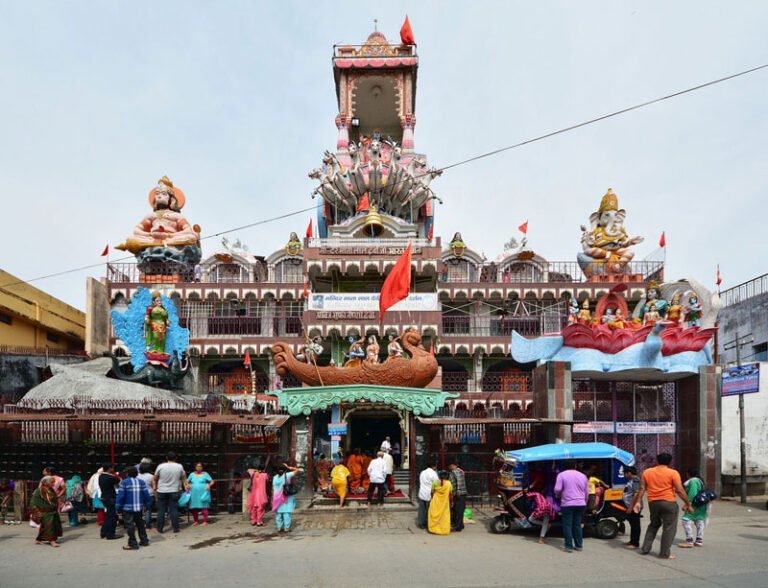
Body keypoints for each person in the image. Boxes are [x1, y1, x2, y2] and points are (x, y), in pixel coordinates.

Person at [631, 453, 694, 560]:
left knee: (654, 525)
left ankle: (645, 548)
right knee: (669, 528)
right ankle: (664, 554)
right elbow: (679, 490)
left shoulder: (647, 472)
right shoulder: (673, 473)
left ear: (657, 461)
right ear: (670, 462)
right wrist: (688, 503)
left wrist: (638, 502)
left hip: (653, 503)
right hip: (669, 502)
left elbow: (642, 488)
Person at [554, 462, 589, 553]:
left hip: (567, 503)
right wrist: (584, 501)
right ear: (575, 466)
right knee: (577, 525)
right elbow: (587, 492)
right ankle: (579, 545)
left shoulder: (561, 475)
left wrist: (558, 495)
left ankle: (569, 546)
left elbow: (557, 489)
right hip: (581, 503)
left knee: (567, 525)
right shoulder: (583, 476)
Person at [116, 466, 151, 550]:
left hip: (127, 508)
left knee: (130, 526)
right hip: (139, 508)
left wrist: (118, 508)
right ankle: (144, 540)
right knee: (140, 524)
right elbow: (146, 495)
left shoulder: (124, 483)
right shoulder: (141, 482)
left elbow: (120, 497)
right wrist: (148, 506)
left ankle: (133, 543)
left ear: (127, 474)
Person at [153, 452, 186, 534]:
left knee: (161, 511)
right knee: (174, 510)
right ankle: (176, 528)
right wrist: (185, 488)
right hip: (174, 490)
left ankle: (160, 529)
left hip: (162, 491)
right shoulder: (179, 466)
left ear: (166, 457)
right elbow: (183, 478)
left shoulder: (160, 466)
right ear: (176, 458)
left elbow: (155, 478)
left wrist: (155, 489)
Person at [679, 468, 709, 548]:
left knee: (685, 520)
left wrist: (687, 504)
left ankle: (689, 541)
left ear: (688, 474)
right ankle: (699, 540)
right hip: (701, 505)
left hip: (694, 504)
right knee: (699, 520)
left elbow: (692, 493)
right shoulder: (700, 481)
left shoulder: (693, 481)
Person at [30, 476, 63, 547]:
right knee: (50, 526)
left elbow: (54, 499)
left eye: (53, 482)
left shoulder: (51, 490)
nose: (54, 483)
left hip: (52, 511)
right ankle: (52, 541)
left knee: (46, 526)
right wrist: (36, 512)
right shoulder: (39, 491)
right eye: (52, 482)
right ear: (45, 483)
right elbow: (33, 501)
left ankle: (38, 539)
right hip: (44, 511)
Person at [271, 463, 300, 533]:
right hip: (286, 497)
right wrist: (289, 467)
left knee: (278, 514)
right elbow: (297, 470)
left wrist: (272, 498)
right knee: (286, 513)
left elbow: (273, 488)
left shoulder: (274, 477)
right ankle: (286, 528)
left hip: (276, 498)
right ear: (285, 470)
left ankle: (279, 528)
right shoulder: (287, 475)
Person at [99, 464, 122, 540]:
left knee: (108, 516)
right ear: (109, 469)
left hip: (104, 496)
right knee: (112, 516)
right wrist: (115, 475)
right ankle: (110, 534)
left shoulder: (101, 476)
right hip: (110, 497)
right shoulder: (110, 477)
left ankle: (104, 531)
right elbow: (119, 480)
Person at [622, 466, 642, 549]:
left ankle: (635, 543)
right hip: (630, 505)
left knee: (635, 525)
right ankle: (632, 541)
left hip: (634, 506)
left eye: (625, 473)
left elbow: (636, 494)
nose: (624, 475)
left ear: (629, 473)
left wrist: (631, 507)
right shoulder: (631, 480)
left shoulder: (635, 480)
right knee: (632, 524)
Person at [428, 470, 453, 535]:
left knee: (434, 514)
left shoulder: (435, 482)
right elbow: (450, 494)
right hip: (445, 503)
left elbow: (432, 492)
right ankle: (443, 530)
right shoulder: (449, 483)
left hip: (435, 502)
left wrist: (432, 498)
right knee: (444, 516)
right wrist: (451, 502)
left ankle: (433, 529)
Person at [417, 464, 439, 530]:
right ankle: (429, 523)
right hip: (429, 494)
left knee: (422, 510)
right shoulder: (433, 474)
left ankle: (421, 523)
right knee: (430, 510)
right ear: (434, 466)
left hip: (422, 492)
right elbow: (437, 484)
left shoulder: (422, 472)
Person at [448, 462, 468, 532]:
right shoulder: (458, 471)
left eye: (450, 465)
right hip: (458, 493)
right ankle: (460, 525)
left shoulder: (456, 471)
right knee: (457, 510)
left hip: (459, 494)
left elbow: (459, 482)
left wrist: (458, 492)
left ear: (453, 465)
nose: (449, 467)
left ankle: (458, 526)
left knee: (458, 510)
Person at [137, 463, 156, 530]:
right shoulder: (151, 476)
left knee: (139, 510)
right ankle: (148, 525)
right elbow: (154, 487)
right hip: (150, 494)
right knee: (148, 510)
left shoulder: (137, 476)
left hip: (139, 495)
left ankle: (140, 524)